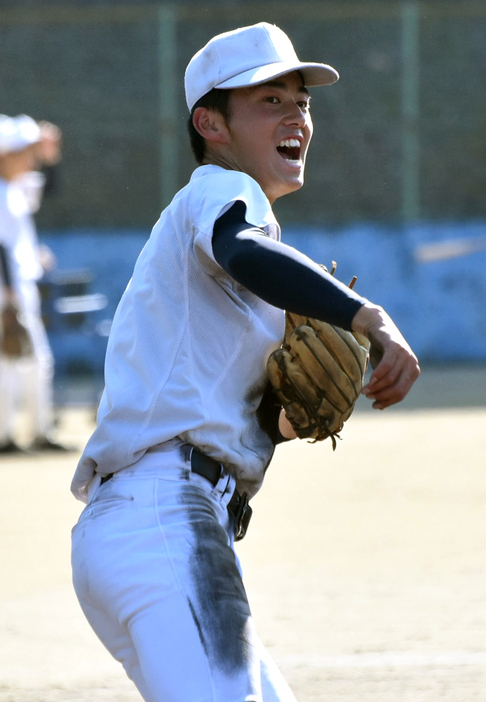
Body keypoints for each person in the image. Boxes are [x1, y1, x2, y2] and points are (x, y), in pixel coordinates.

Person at [71, 22, 420, 702]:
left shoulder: (221, 250)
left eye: (303, 101)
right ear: (211, 122)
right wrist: (368, 316)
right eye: (270, 100)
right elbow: (243, 247)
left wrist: (284, 420)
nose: (297, 115)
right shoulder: (218, 195)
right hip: (164, 521)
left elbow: (240, 414)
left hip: (166, 523)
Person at [0, 114, 71, 453]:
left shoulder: (13, 188)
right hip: (6, 293)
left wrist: (49, 156)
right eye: (22, 151)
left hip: (17, 288)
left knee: (35, 362)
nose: (30, 157)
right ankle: (6, 437)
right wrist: (10, 292)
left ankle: (39, 432)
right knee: (8, 366)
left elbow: (51, 189)